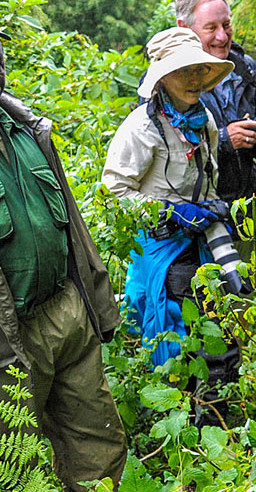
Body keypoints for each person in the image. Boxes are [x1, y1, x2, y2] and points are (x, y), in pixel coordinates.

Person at [0, 30, 127, 490]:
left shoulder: (25, 129)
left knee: (99, 449)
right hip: (7, 337)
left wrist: (97, 303)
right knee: (18, 471)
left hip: (66, 311)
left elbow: (72, 226)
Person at [103, 28, 238, 409]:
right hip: (159, 244)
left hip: (200, 241)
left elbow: (205, 178)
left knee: (217, 319)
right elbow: (112, 191)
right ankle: (175, 413)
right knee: (171, 329)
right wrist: (168, 212)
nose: (195, 80)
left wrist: (213, 210)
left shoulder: (204, 120)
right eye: (185, 72)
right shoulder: (141, 128)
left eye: (199, 71)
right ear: (163, 78)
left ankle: (215, 409)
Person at [171, 0, 256, 208]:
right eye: (211, 28)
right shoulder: (166, 78)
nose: (222, 37)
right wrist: (224, 139)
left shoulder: (245, 68)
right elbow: (164, 152)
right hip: (192, 212)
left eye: (226, 25)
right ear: (184, 27)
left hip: (243, 208)